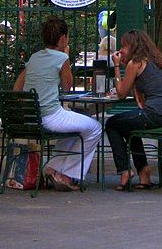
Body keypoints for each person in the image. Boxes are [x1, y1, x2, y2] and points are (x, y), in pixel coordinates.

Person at [13, 16, 102, 192]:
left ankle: (53, 168)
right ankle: (66, 174)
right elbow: (67, 87)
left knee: (73, 131)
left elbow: (17, 88)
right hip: (51, 116)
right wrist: (66, 56)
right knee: (95, 128)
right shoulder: (61, 58)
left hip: (31, 118)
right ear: (62, 39)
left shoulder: (34, 58)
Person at [105, 29, 162, 191]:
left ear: (133, 46)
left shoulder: (136, 63)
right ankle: (143, 173)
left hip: (156, 113)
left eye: (124, 46)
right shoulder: (156, 61)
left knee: (111, 123)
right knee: (129, 127)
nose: (121, 50)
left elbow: (121, 93)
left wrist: (117, 66)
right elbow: (139, 99)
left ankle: (125, 170)